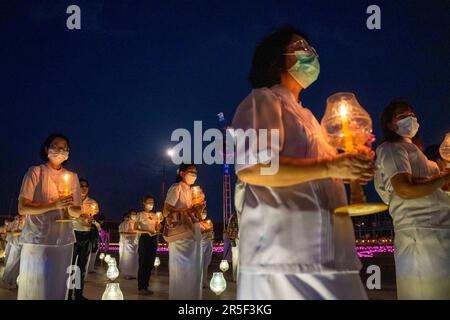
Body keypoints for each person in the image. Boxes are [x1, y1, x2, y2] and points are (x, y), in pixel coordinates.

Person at [231, 25, 375, 300]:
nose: (311, 55)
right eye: (302, 48)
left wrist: (349, 171)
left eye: (312, 49)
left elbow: (318, 172)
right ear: (277, 60)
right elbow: (255, 167)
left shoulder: (309, 117)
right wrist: (331, 167)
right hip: (283, 256)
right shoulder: (263, 100)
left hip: (333, 251)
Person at [374, 99, 450, 299]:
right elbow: (404, 190)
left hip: (438, 232)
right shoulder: (392, 149)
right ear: (390, 124)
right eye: (403, 116)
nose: (411, 119)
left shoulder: (419, 155)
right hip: (420, 235)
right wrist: (443, 178)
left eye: (412, 115)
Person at [17, 133, 82, 300]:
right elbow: (23, 208)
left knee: (58, 288)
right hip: (39, 241)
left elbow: (76, 211)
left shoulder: (72, 177)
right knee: (37, 289)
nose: (61, 150)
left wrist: (70, 208)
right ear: (46, 149)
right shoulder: (36, 172)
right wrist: (53, 205)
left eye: (65, 148)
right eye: (56, 146)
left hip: (64, 241)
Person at [163, 163, 204, 300]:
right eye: (191, 171)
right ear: (182, 173)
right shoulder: (177, 188)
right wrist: (187, 210)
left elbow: (195, 214)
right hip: (180, 234)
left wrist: (199, 208)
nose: (194, 174)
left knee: (194, 268)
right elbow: (165, 211)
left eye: (196, 172)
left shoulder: (193, 191)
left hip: (193, 231)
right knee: (182, 268)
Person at [68, 177, 100, 300]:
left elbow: (95, 218)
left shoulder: (93, 203)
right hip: (73, 234)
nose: (84, 187)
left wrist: (92, 221)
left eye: (86, 185)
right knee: (71, 266)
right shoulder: (71, 201)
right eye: (81, 185)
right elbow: (67, 214)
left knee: (82, 267)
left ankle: (78, 294)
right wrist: (79, 217)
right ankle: (68, 294)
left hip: (86, 235)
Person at [135, 196, 161, 295]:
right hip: (144, 238)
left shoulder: (155, 215)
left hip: (153, 239)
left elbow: (157, 228)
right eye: (149, 202)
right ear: (144, 203)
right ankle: (141, 287)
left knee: (150, 263)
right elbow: (135, 228)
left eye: (152, 202)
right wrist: (147, 231)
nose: (151, 204)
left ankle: (146, 286)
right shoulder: (140, 214)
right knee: (143, 263)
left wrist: (159, 224)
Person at [1, 214, 25, 289]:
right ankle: (7, 281)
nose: (20, 220)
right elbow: (13, 232)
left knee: (14, 265)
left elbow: (12, 232)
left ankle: (11, 281)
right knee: (12, 264)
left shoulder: (20, 222)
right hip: (16, 244)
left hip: (18, 244)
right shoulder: (17, 222)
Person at [118, 209, 138, 280]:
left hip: (135, 243)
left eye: (135, 214)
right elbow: (123, 233)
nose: (134, 215)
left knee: (134, 258)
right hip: (128, 242)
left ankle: (134, 273)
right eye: (132, 214)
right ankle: (127, 273)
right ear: (129, 215)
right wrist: (134, 233)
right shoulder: (126, 223)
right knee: (128, 258)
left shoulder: (136, 223)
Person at [199, 209, 214, 288]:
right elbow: (198, 236)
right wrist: (205, 232)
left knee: (206, 265)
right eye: (202, 213)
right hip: (201, 245)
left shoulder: (208, 222)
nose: (204, 214)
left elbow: (211, 234)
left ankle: (204, 281)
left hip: (209, 244)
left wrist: (210, 232)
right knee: (200, 265)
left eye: (205, 212)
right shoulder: (198, 223)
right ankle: (200, 282)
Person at [227, 213, 239, 282]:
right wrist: (232, 239)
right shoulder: (234, 216)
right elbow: (230, 229)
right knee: (236, 259)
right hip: (236, 240)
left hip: (241, 240)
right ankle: (235, 277)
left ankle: (238, 277)